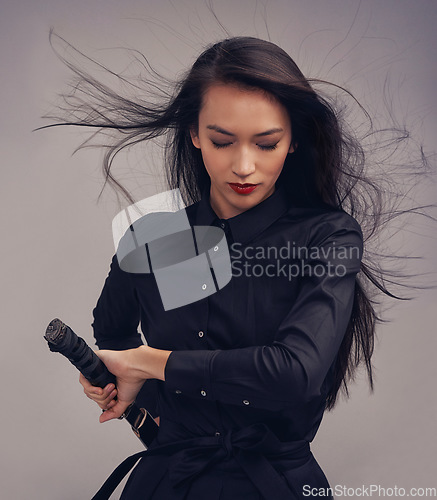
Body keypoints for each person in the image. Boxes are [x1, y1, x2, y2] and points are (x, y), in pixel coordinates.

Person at [48, 36, 425, 499]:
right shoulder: (154, 239)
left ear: (293, 141)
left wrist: (149, 364)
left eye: (266, 144)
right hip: (168, 480)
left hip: (276, 486)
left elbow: (294, 372)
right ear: (193, 133)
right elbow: (113, 332)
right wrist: (146, 395)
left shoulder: (327, 237)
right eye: (222, 141)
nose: (244, 166)